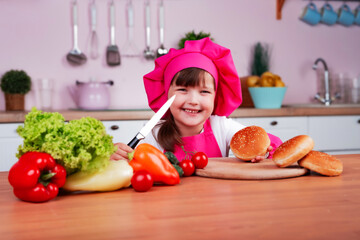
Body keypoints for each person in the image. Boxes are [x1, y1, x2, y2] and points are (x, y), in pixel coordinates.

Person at [111, 38, 282, 162]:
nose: (193, 100)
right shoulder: (153, 135)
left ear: (216, 97)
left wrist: (264, 152)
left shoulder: (221, 127)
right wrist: (116, 156)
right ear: (167, 94)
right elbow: (132, 164)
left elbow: (266, 141)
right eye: (183, 90)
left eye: (204, 92)